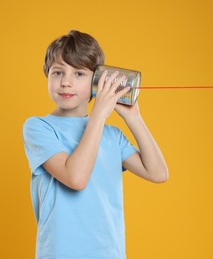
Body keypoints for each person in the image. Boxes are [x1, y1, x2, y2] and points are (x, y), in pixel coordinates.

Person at [22, 30, 168, 259]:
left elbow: (158, 173)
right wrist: (99, 114)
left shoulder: (112, 136)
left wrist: (133, 118)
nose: (66, 82)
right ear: (47, 76)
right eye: (57, 72)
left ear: (97, 81)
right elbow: (76, 178)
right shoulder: (39, 128)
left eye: (79, 74)